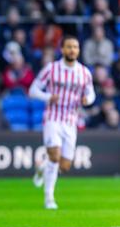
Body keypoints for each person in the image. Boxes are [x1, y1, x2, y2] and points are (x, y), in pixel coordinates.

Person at [29, 35, 95, 210]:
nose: (72, 50)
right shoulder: (51, 69)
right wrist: (48, 97)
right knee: (55, 156)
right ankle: (49, 198)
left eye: (75, 47)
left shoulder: (84, 73)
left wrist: (88, 99)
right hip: (52, 118)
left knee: (64, 166)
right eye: (69, 47)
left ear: (78, 50)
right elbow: (33, 90)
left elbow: (91, 94)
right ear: (62, 49)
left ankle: (42, 168)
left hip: (70, 121)